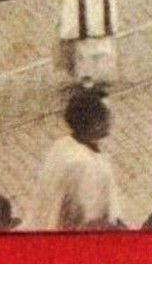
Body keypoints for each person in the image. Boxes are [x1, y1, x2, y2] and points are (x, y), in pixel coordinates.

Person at [32, 88, 124, 231]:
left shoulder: (63, 144)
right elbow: (91, 222)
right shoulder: (86, 165)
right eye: (108, 115)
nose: (112, 119)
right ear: (95, 124)